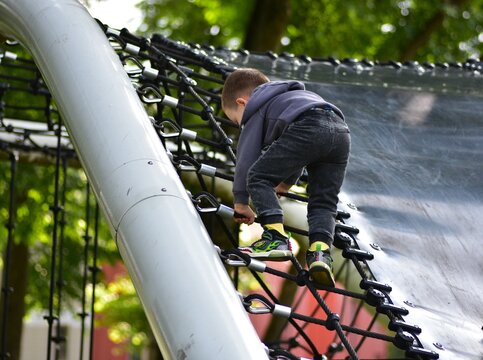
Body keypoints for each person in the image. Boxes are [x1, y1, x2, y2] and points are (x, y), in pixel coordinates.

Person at [221, 68, 350, 287]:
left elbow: (246, 158)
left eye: (236, 121)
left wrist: (241, 202)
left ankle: (275, 238)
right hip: (340, 132)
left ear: (242, 103)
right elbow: (297, 152)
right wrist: (286, 183)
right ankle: (320, 253)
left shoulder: (256, 109)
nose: (240, 125)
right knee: (324, 201)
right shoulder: (291, 99)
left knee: (258, 176)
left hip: (308, 127)